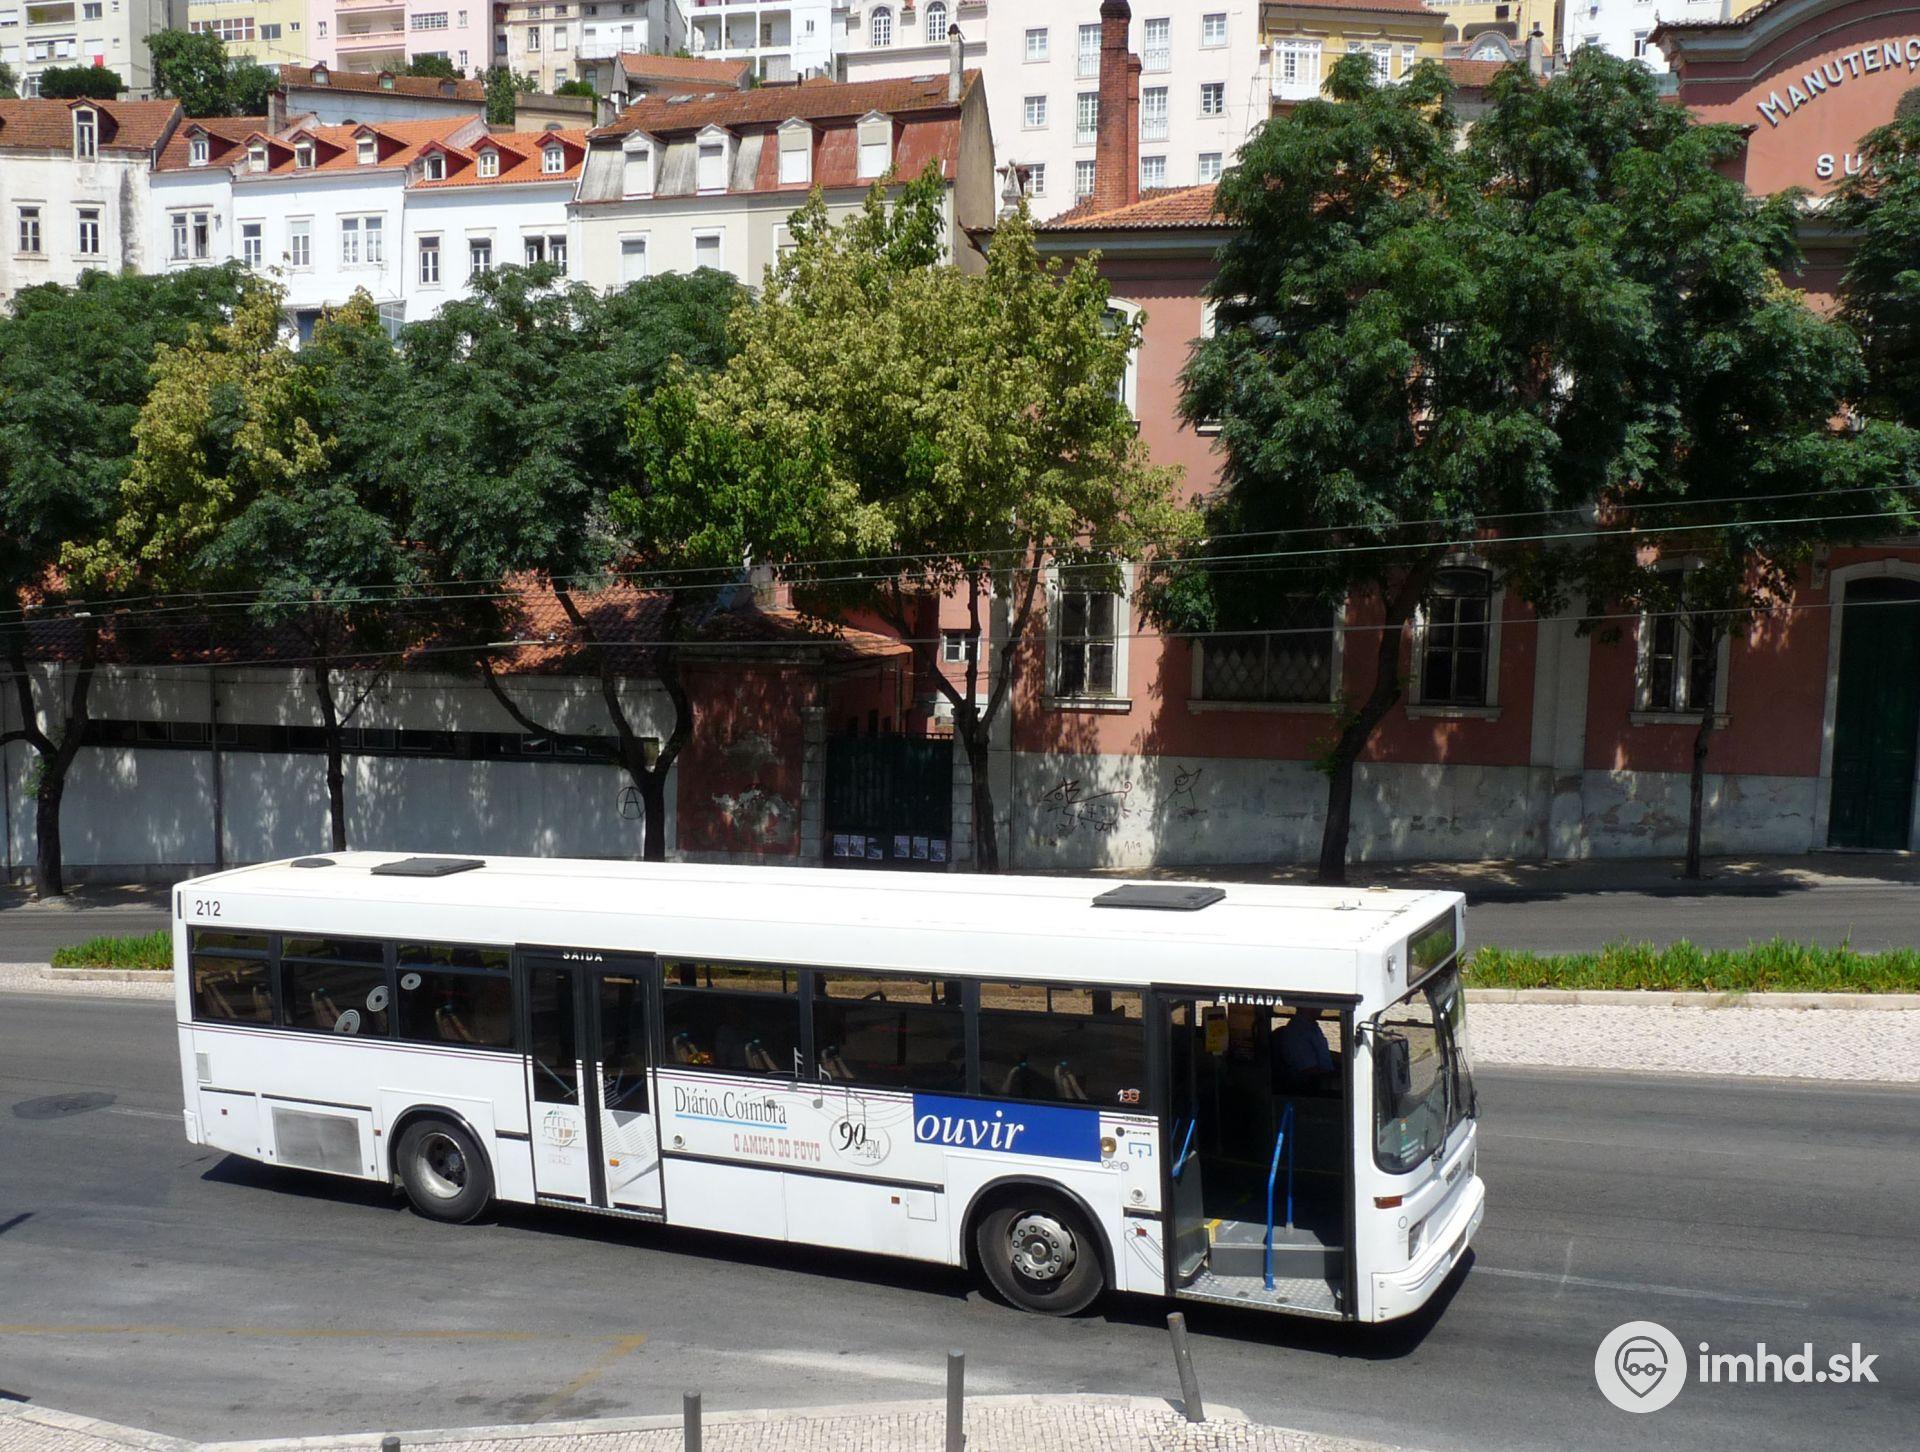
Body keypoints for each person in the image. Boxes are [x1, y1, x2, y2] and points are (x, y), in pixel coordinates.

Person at [1275, 1008, 1335, 1089]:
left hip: (1322, 1079)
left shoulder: (1311, 1026)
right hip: (1309, 1086)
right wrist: (1335, 1076)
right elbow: (1308, 1070)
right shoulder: (1297, 1031)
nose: (1322, 1008)